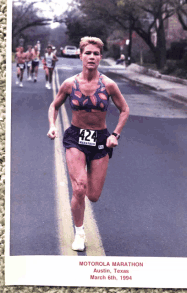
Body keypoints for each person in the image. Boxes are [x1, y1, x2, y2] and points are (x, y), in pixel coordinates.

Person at [47, 36, 129, 251]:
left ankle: (81, 225)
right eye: (88, 53)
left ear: (100, 57)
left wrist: (115, 135)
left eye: (96, 53)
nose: (92, 57)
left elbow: (125, 110)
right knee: (79, 188)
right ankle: (80, 233)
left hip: (101, 140)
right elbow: (54, 106)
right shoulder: (69, 84)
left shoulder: (109, 85)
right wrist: (52, 125)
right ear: (80, 55)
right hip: (75, 137)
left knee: (92, 195)